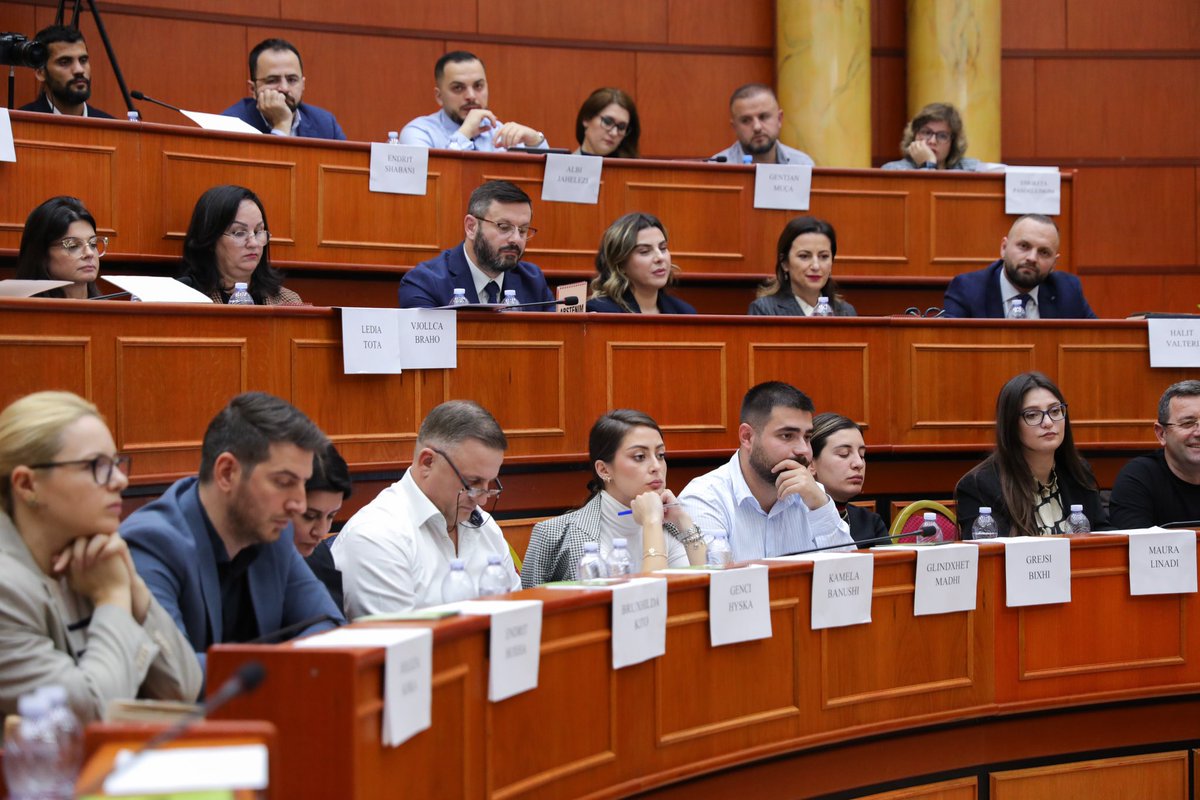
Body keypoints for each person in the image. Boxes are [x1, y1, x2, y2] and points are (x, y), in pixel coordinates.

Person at [0, 391, 201, 722]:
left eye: (116, 464)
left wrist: (134, 590)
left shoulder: (92, 558)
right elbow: (91, 716)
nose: (121, 480)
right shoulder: (8, 590)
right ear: (27, 485)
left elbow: (184, 689)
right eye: (97, 466)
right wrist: (113, 599)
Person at [121, 393, 344, 674]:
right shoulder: (152, 543)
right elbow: (173, 674)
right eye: (284, 482)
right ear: (227, 473)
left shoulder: (273, 534)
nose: (299, 504)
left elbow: (330, 629)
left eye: (303, 484)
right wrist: (286, 668)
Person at [332, 400, 520, 617]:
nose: (483, 501)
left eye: (490, 484)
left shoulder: (486, 528)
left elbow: (517, 619)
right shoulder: (375, 537)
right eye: (471, 483)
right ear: (428, 462)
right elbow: (401, 637)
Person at [521, 410, 707, 587]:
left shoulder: (673, 525)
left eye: (660, 455)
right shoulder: (552, 535)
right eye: (640, 457)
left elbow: (711, 593)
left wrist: (683, 522)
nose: (656, 466)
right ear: (604, 470)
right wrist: (651, 521)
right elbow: (650, 597)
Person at [679, 382, 853, 560]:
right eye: (787, 436)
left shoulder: (812, 495)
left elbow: (848, 572)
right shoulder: (704, 499)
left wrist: (821, 506)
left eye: (807, 437)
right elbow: (717, 575)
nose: (804, 450)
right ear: (747, 437)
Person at [955, 372, 1108, 538]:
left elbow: (1104, 535)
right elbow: (991, 552)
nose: (1048, 422)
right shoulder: (979, 486)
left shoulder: (1078, 473)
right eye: (1032, 415)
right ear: (1011, 424)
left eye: (1055, 411)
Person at [398, 180, 554, 309]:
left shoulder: (533, 281)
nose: (516, 239)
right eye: (504, 227)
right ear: (471, 227)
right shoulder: (425, 283)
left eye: (523, 230)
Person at [943, 214, 1096, 319]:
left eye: (1044, 252)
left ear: (1054, 263)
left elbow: (1095, 342)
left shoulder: (1068, 290)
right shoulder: (967, 290)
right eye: (1024, 246)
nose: (1032, 258)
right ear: (1004, 248)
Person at [177, 185, 302, 305]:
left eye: (258, 232)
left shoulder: (289, 301)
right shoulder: (185, 299)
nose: (253, 243)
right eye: (239, 233)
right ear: (210, 240)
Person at [399, 51, 546, 151]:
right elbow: (433, 181)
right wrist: (465, 133)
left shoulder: (504, 135)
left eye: (478, 86)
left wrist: (536, 142)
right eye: (458, 88)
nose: (471, 96)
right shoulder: (419, 132)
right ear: (439, 96)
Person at [1109, 380, 1200, 528]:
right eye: (1187, 423)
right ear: (1161, 434)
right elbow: (1135, 541)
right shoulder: (1139, 477)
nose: (1198, 432)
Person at [220, 38, 346, 140]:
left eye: (292, 79)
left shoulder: (325, 124)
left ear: (303, 85)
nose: (284, 88)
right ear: (253, 89)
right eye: (272, 80)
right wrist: (282, 124)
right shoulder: (230, 125)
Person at [586, 213, 696, 314]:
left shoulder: (684, 312)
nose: (660, 257)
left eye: (663, 248)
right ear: (620, 263)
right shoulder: (601, 312)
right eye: (644, 251)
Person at [748, 216, 856, 316]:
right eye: (804, 256)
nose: (816, 266)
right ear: (784, 263)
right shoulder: (765, 310)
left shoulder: (846, 312)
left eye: (824, 256)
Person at [810, 413, 887, 547]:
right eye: (844, 454)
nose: (859, 463)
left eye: (862, 455)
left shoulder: (870, 522)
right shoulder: (790, 522)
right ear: (811, 463)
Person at [293, 443, 352, 611]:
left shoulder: (318, 554)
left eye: (331, 516)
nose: (321, 531)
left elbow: (330, 620)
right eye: (309, 516)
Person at [15, 196, 106, 299]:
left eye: (93, 244)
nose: (89, 253)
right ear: (42, 254)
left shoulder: (109, 308)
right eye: (73, 245)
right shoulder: (18, 308)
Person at [19, 25, 113, 119]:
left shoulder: (109, 125)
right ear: (41, 72)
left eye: (83, 60)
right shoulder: (20, 123)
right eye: (64, 62)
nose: (79, 70)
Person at [711, 84, 813, 166]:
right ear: (735, 127)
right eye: (746, 120)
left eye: (763, 117)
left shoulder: (802, 164)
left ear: (779, 119)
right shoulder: (717, 167)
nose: (757, 127)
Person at [881, 103, 984, 171]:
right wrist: (927, 165)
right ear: (914, 135)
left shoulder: (969, 169)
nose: (932, 141)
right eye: (926, 133)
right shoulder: (894, 170)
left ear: (953, 142)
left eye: (942, 136)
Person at [574, 88, 640, 159]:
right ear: (586, 119)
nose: (614, 133)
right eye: (608, 122)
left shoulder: (634, 166)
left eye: (622, 127)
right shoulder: (566, 165)